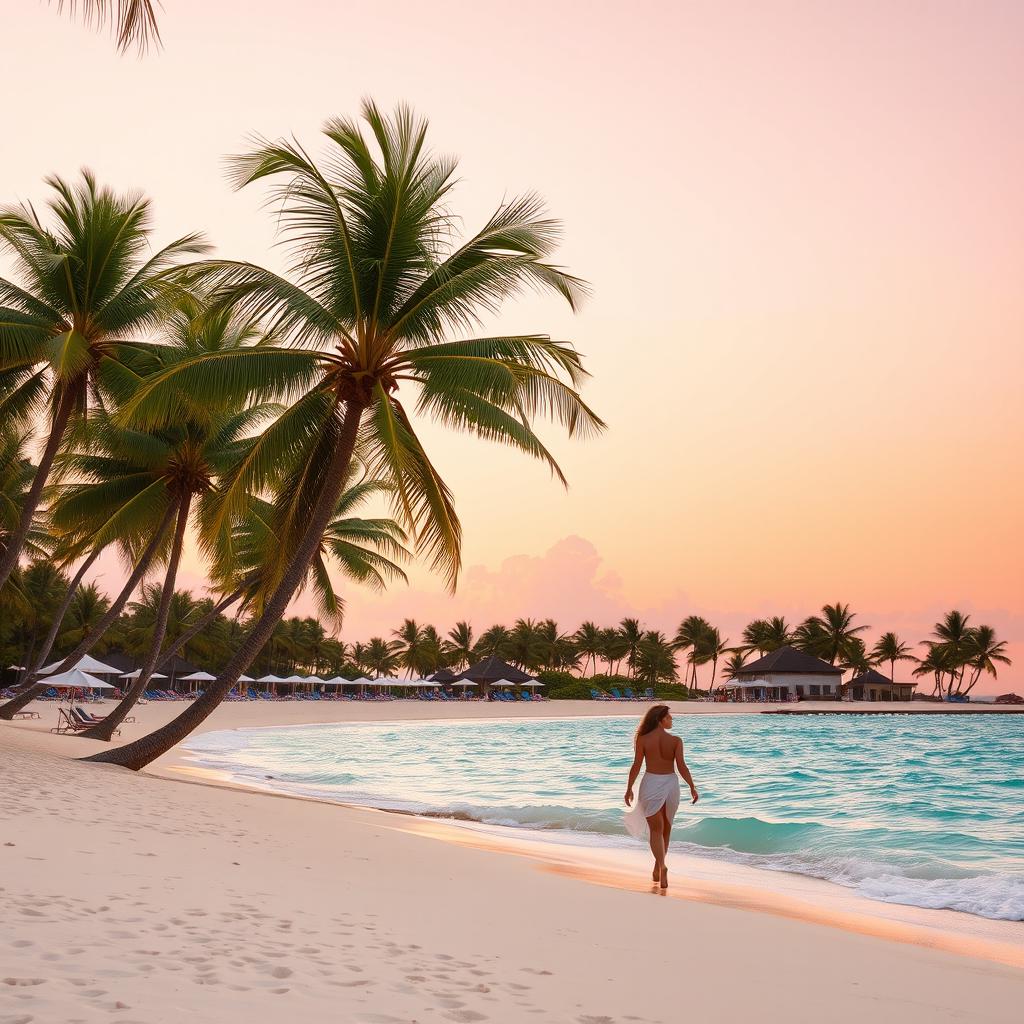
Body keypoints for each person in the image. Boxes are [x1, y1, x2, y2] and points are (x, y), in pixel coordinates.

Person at [623, 704, 698, 889]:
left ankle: (661, 866)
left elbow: (636, 765)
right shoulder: (676, 741)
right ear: (660, 719)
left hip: (650, 784)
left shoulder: (642, 739)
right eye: (669, 717)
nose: (671, 720)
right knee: (666, 829)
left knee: (656, 830)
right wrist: (692, 787)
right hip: (671, 784)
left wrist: (629, 788)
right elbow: (682, 767)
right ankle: (659, 867)